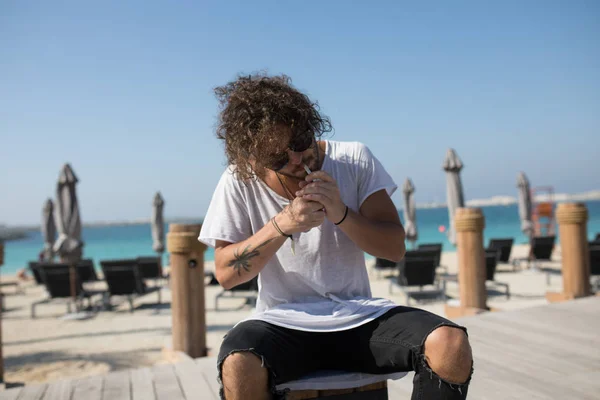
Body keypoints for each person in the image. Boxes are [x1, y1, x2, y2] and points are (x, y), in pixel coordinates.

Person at [199, 73, 473, 400]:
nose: (297, 158)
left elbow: (394, 248)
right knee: (237, 363)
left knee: (450, 344)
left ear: (309, 123)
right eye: (279, 157)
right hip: (282, 324)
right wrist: (281, 225)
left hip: (359, 318)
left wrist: (341, 212)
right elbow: (226, 273)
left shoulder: (353, 159)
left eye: (300, 141)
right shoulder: (238, 181)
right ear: (254, 157)